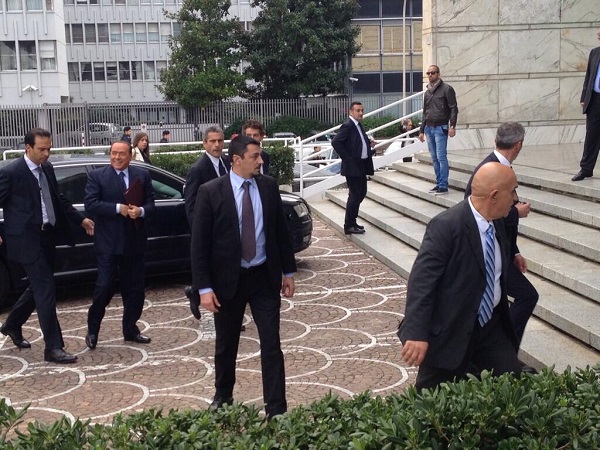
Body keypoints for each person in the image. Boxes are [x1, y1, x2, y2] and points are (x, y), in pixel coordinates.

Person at [190, 135, 296, 418]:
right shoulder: (211, 192)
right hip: (228, 280)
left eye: (260, 155)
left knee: (271, 343)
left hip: (263, 278)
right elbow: (199, 245)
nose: (260, 161)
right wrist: (204, 288)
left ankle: (276, 408)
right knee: (226, 344)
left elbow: (280, 232)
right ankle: (223, 396)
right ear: (236, 160)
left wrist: (288, 271)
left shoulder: (268, 186)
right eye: (254, 156)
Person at [398, 162, 522, 390]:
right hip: (451, 330)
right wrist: (416, 333)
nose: (516, 198)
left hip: (490, 327)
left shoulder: (498, 221)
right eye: (513, 191)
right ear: (494, 196)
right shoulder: (446, 226)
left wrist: (514, 255)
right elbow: (422, 282)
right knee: (432, 398)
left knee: (512, 387)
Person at [0, 128, 94, 363]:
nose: (46, 153)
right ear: (28, 148)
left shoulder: (47, 168)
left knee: (39, 287)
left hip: (48, 236)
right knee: (45, 291)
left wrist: (80, 219)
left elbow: (58, 198)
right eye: (42, 149)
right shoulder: (11, 172)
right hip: (26, 240)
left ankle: (12, 324)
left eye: (49, 149)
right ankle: (53, 347)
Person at [464, 122, 538, 346]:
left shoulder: (500, 166)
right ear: (519, 145)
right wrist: (516, 213)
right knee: (527, 296)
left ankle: (500, 349)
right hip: (488, 252)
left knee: (503, 302)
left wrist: (514, 252)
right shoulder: (488, 170)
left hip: (501, 249)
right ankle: (504, 346)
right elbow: (478, 213)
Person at [84, 140, 156, 349]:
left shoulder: (142, 175)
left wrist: (140, 211)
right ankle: (93, 329)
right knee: (104, 287)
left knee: (135, 290)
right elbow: (91, 204)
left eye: (121, 154)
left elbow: (151, 204)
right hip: (108, 243)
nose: (116, 157)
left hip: (135, 242)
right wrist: (118, 208)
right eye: (113, 153)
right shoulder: (97, 176)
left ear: (130, 156)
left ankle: (130, 329)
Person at [183, 126, 229, 319]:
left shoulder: (227, 162)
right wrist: (199, 232)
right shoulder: (198, 169)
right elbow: (191, 204)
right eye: (212, 141)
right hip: (209, 230)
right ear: (205, 143)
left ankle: (196, 291)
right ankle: (201, 295)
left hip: (226, 229)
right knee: (216, 273)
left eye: (219, 141)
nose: (216, 145)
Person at [331, 101, 376, 235]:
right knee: (355, 195)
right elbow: (336, 142)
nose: (361, 113)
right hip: (353, 166)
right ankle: (349, 225)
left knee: (361, 193)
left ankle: (352, 221)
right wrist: (347, 158)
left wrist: (368, 144)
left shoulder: (358, 125)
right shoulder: (348, 125)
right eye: (358, 110)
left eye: (362, 110)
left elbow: (357, 141)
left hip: (361, 165)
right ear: (351, 112)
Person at [418, 65, 459, 195]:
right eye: (428, 73)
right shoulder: (427, 92)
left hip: (441, 127)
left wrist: (452, 126)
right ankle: (438, 182)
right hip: (429, 128)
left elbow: (453, 108)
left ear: (438, 74)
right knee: (434, 157)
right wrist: (421, 130)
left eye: (433, 73)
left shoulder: (447, 89)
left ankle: (443, 185)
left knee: (441, 157)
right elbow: (425, 112)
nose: (430, 75)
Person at [572, 28, 600, 182]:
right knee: (591, 136)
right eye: (598, 35)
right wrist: (584, 97)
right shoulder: (594, 53)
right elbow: (588, 76)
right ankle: (586, 169)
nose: (598, 37)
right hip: (594, 100)